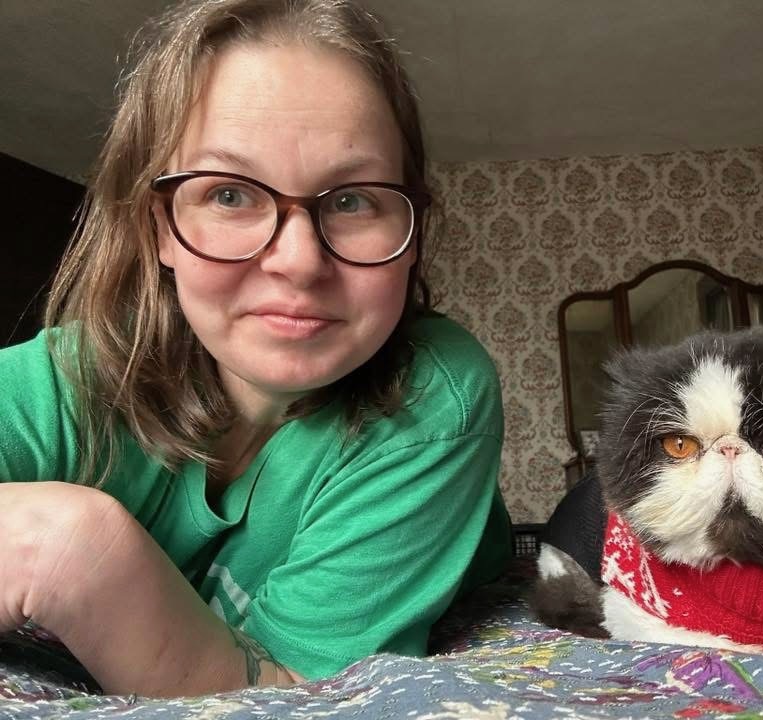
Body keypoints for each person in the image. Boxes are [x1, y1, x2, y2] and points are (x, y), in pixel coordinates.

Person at [0, 0, 511, 698]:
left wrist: (69, 551)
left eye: (353, 200)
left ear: (412, 230)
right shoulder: (73, 379)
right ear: (161, 229)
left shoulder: (437, 394)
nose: (299, 263)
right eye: (231, 194)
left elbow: (294, 697)